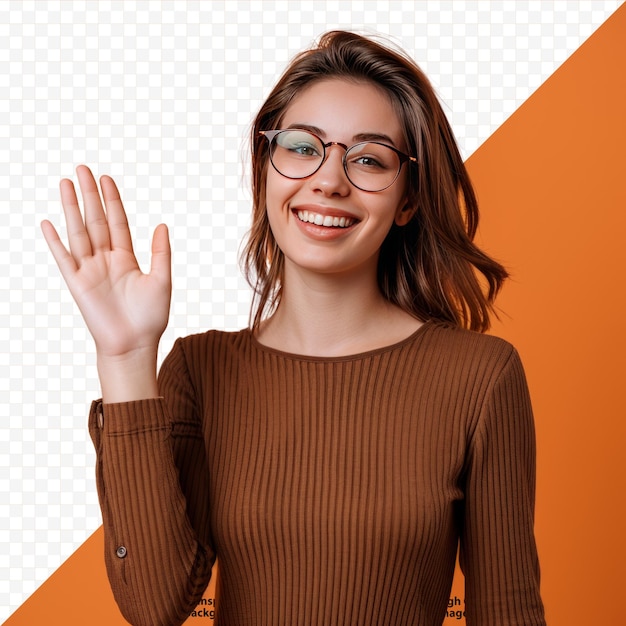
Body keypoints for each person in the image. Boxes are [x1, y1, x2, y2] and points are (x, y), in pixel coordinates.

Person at [41, 30, 546, 626]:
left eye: (368, 159)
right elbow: (155, 605)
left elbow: (508, 612)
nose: (329, 180)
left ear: (407, 201)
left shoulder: (480, 378)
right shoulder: (200, 371)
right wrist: (125, 357)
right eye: (303, 148)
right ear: (266, 170)